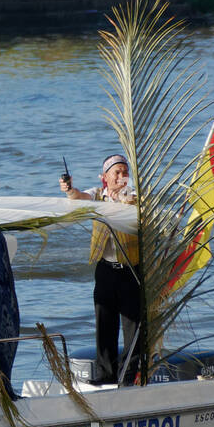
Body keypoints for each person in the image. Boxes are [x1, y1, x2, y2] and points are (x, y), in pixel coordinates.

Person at [60, 154, 141, 386]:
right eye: (117, 172)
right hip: (105, 271)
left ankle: (128, 378)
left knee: (132, 328)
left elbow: (133, 202)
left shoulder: (134, 195)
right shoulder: (97, 195)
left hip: (131, 271)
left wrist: (127, 199)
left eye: (125, 171)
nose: (122, 176)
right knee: (104, 323)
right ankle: (106, 375)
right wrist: (69, 189)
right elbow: (78, 198)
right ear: (105, 176)